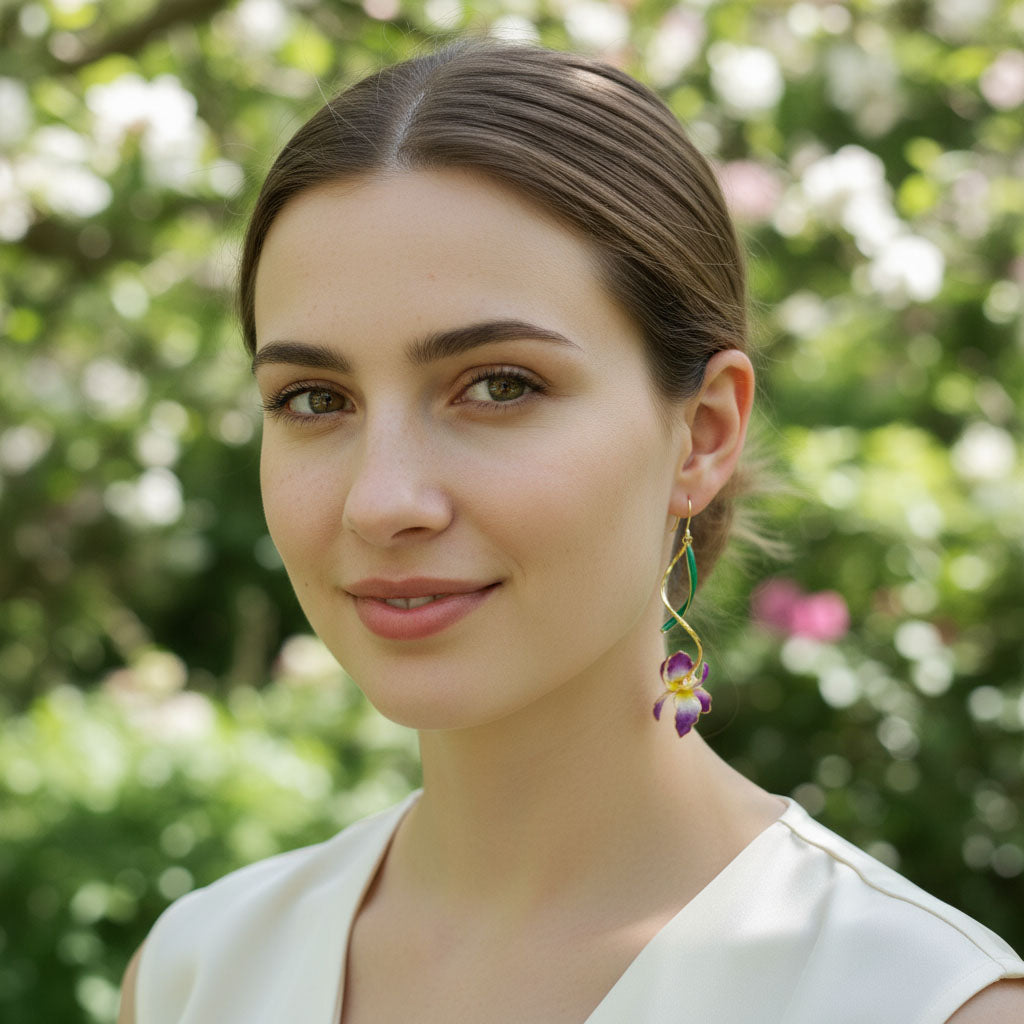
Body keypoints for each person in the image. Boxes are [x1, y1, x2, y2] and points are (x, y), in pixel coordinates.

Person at [119, 39, 1024, 1023]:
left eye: (498, 386)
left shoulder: (911, 1000)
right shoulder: (197, 973)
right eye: (311, 398)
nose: (380, 501)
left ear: (702, 433)